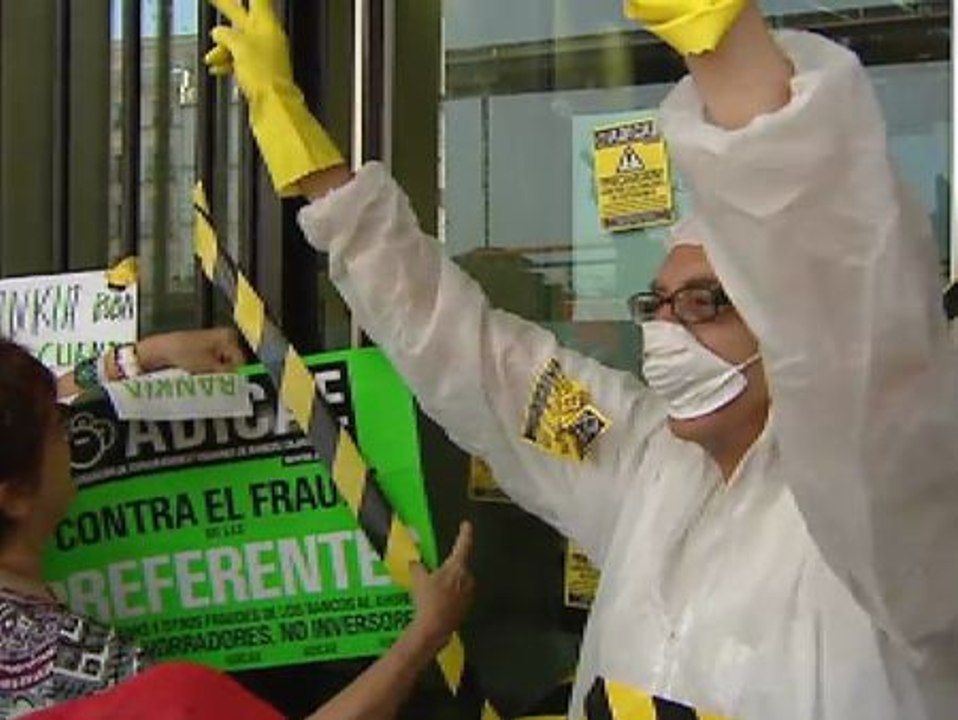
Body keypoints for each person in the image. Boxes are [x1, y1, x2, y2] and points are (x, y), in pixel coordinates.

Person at [206, 0, 958, 717]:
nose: (667, 332)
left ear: (787, 326)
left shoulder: (893, 515)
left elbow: (849, 324)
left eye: (706, 304)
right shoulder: (643, 465)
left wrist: (725, 47)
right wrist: (321, 179)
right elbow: (471, 355)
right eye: (656, 304)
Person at [0, 335, 475, 719]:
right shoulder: (90, 671)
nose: (74, 436)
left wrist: (144, 357)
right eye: (58, 429)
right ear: (14, 495)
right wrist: (423, 636)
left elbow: (39, 403)